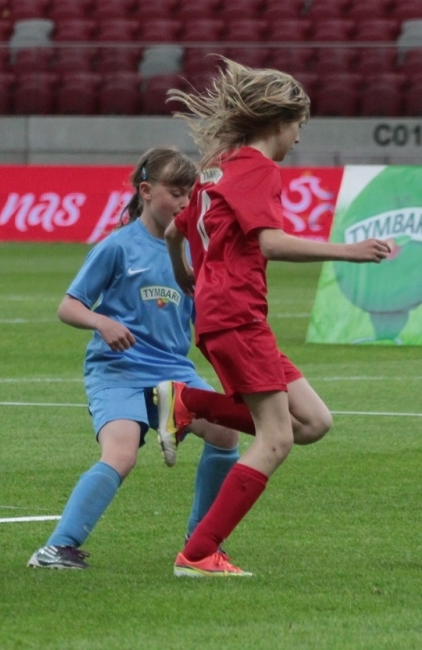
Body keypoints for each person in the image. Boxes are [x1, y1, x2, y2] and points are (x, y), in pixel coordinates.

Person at [163, 58, 391, 577]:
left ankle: (185, 402)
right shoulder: (258, 169)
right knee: (277, 439)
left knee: (312, 422)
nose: (298, 140)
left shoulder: (218, 166)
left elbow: (175, 232)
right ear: (278, 121)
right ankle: (199, 553)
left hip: (224, 315)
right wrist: (350, 251)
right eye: (298, 128)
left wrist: (187, 278)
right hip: (239, 316)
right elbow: (270, 243)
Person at [28, 147, 241, 570]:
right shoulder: (118, 247)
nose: (184, 202)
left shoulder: (194, 249)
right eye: (175, 192)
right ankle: (56, 549)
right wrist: (102, 323)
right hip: (119, 372)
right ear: (145, 191)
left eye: (189, 194)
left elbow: (202, 318)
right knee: (121, 455)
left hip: (173, 372)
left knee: (225, 434)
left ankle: (198, 546)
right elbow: (68, 306)